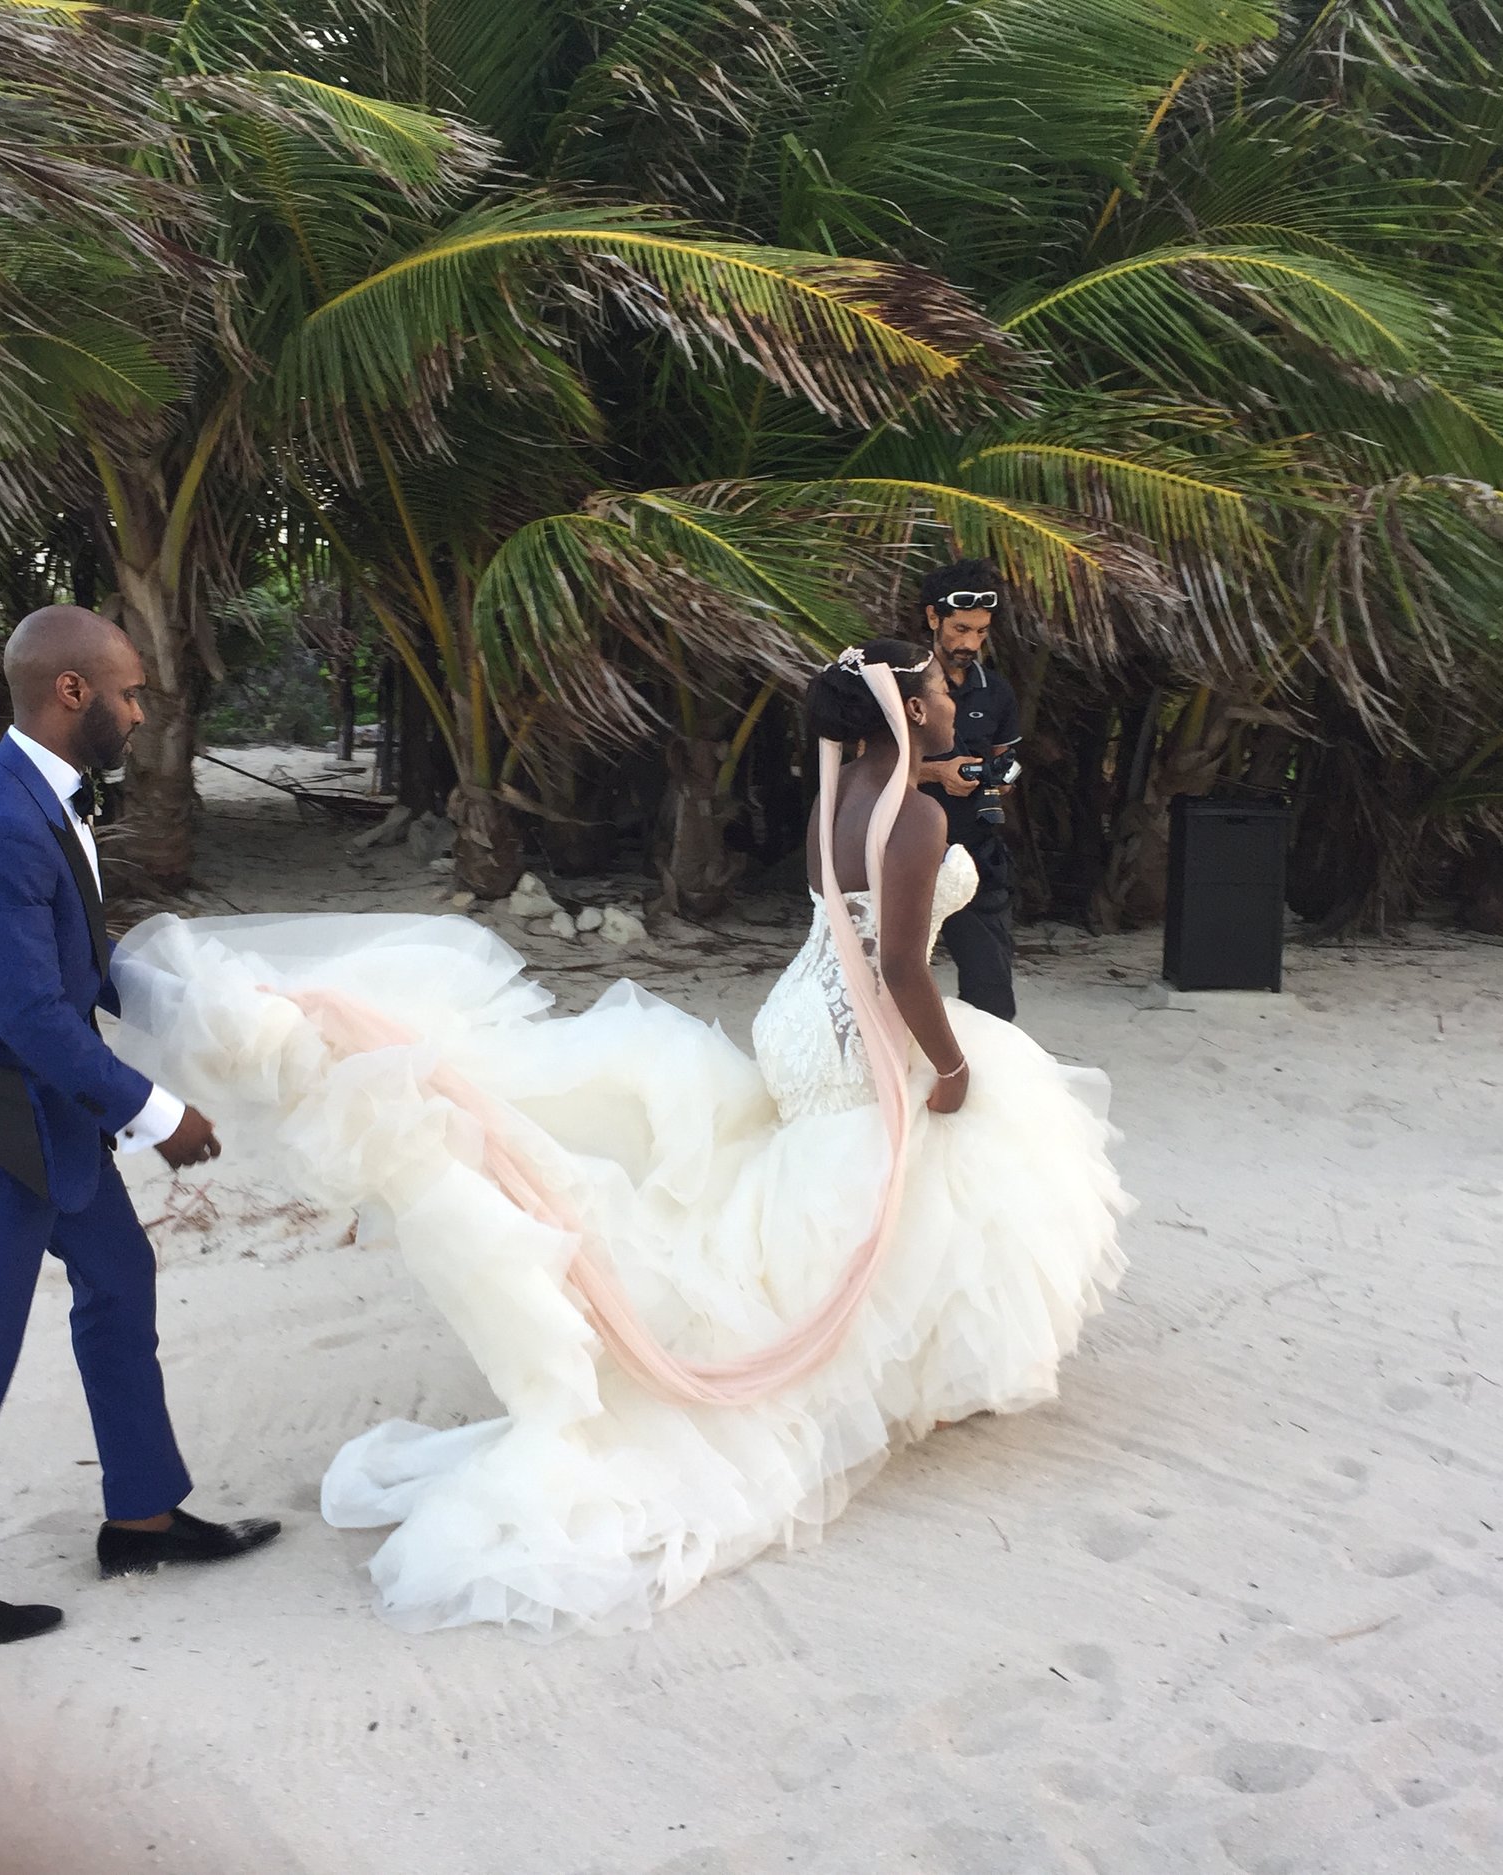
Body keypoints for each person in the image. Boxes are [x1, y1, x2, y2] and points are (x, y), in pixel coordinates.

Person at [109, 639, 1130, 1635]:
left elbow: (845, 934)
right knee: (935, 1149)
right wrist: (947, 1068)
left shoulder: (836, 792)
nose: (955, 695)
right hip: (848, 1028)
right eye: (942, 685)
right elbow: (903, 968)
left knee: (856, 1185)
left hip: (798, 1019)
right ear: (910, 710)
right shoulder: (909, 814)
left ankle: (904, 1376)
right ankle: (873, 1377)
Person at [0, 605, 280, 1653]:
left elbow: (76, 972)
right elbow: (29, 1019)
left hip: (42, 1100)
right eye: (131, 693)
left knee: (119, 1280)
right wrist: (158, 1114)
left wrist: (208, 1010)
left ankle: (140, 1518)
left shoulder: (39, 796)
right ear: (71, 692)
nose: (140, 713)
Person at [912, 560, 1023, 1020]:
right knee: (889, 972)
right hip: (905, 851)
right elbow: (864, 767)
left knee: (992, 990)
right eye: (960, 629)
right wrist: (939, 774)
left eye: (981, 632)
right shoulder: (901, 684)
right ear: (933, 618)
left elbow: (1011, 761)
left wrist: (997, 778)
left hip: (975, 853)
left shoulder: (996, 692)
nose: (970, 644)